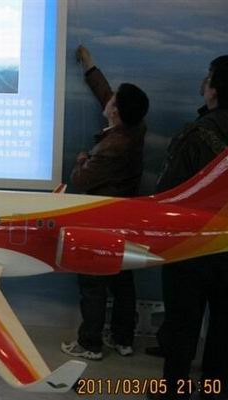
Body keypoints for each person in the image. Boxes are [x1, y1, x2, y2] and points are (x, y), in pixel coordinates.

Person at [151, 55, 228, 400]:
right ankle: (217, 390)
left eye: (208, 78)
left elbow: (168, 192)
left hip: (191, 245)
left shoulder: (196, 134)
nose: (203, 84)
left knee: (183, 318)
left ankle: (175, 390)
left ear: (214, 90)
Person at [61, 45, 149, 361]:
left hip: (101, 221)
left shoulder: (111, 148)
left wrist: (82, 159)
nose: (108, 99)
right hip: (125, 219)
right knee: (123, 281)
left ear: (115, 112)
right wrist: (89, 66)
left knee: (93, 282)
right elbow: (106, 94)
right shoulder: (134, 128)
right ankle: (124, 339)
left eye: (113, 101)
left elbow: (80, 180)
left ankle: (90, 344)